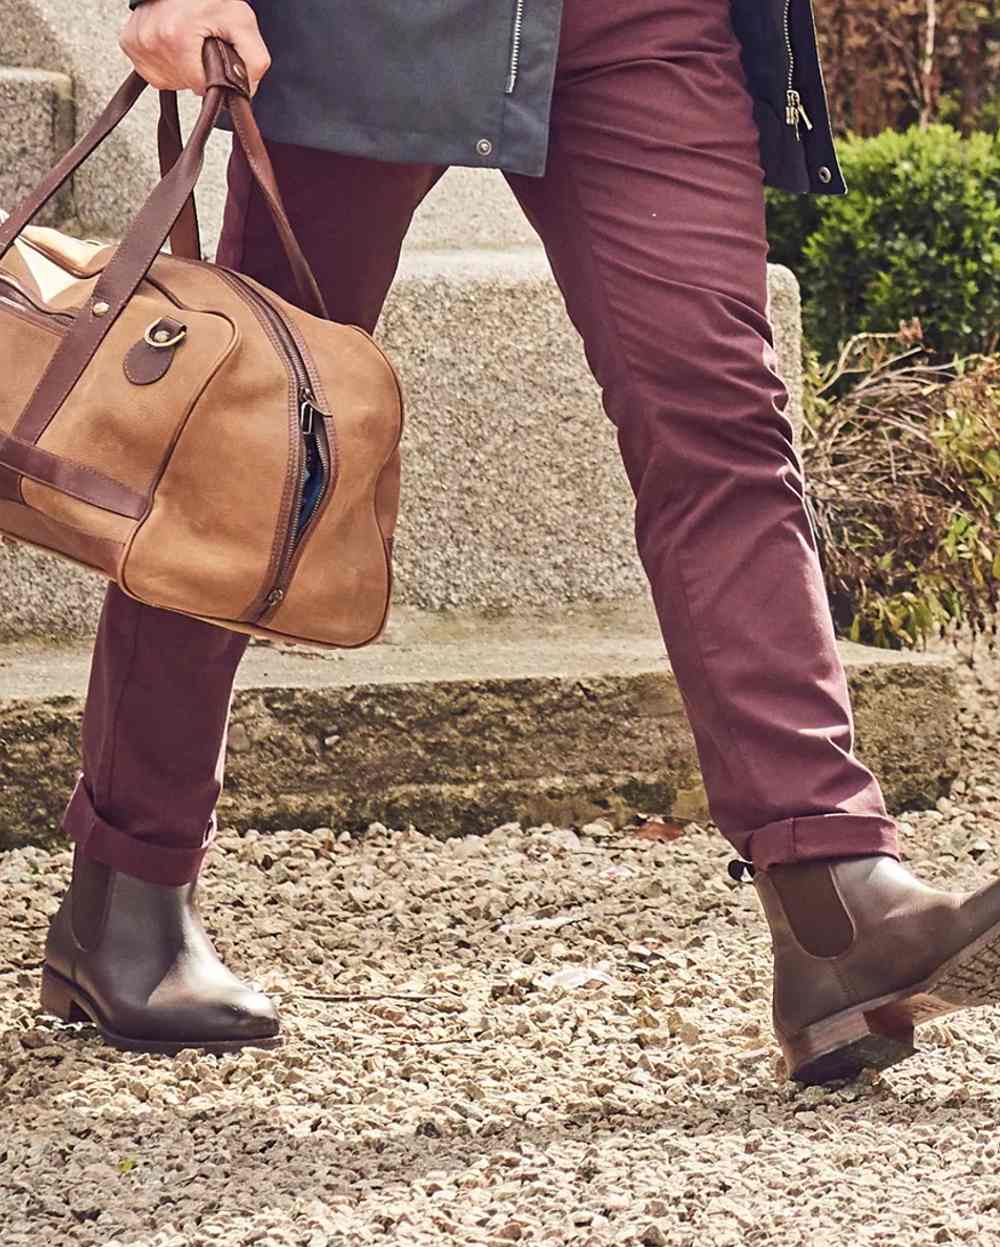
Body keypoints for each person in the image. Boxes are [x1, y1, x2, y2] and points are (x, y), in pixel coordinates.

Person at [40, 0, 1000, 1082]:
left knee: (721, 419)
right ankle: (126, 896)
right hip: (370, 28)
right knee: (250, 446)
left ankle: (834, 899)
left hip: (648, 25)